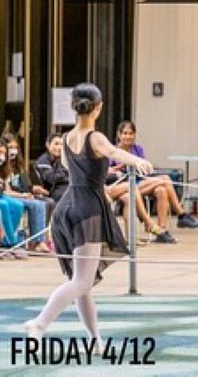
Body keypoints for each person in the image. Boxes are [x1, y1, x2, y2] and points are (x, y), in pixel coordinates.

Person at [23, 83, 154, 346]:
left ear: (74, 106)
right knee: (82, 283)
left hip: (67, 207)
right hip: (87, 209)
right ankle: (40, 322)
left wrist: (99, 183)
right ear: (98, 107)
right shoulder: (95, 137)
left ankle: (95, 340)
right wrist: (137, 161)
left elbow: (75, 170)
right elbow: (113, 152)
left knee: (82, 283)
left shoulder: (67, 137)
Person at [108, 120, 198, 231]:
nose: (128, 136)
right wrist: (121, 166)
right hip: (124, 186)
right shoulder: (113, 151)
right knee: (165, 179)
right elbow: (108, 173)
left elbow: (144, 169)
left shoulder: (138, 149)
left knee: (161, 190)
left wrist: (146, 166)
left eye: (130, 133)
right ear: (119, 135)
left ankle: (162, 230)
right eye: (125, 133)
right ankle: (181, 215)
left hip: (140, 182)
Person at [1, 134, 51, 253]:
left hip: (16, 194)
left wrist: (32, 190)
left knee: (47, 202)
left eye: (15, 147)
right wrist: (22, 195)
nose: (13, 151)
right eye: (10, 147)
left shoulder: (14, 166)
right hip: (12, 195)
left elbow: (26, 185)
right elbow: (7, 191)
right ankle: (13, 242)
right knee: (34, 204)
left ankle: (38, 241)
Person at [0, 140, 29, 260]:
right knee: (4, 205)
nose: (1, 155)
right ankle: (13, 244)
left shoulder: (4, 167)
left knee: (18, 205)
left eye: (3, 153)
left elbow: (5, 189)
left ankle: (6, 241)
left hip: (1, 194)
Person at [36, 133, 71, 203]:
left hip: (66, 189)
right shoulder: (43, 160)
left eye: (62, 144)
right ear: (48, 145)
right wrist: (66, 174)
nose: (59, 147)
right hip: (51, 192)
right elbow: (51, 178)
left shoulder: (64, 159)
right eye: (56, 144)